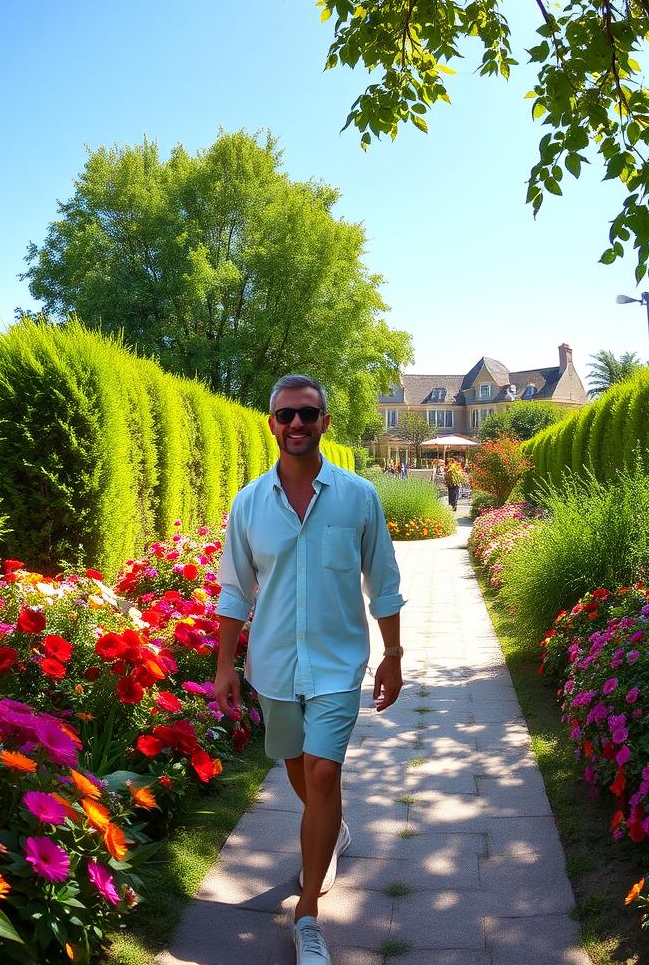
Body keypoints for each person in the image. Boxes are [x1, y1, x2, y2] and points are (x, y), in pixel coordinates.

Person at [214, 374, 406, 965]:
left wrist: (394, 656)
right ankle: (333, 831)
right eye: (285, 415)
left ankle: (308, 917)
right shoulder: (248, 504)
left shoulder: (358, 497)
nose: (297, 424)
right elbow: (233, 591)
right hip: (272, 665)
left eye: (308, 414)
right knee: (300, 769)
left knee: (324, 776)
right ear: (271, 424)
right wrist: (225, 666)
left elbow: (385, 582)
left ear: (324, 422)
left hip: (337, 664)